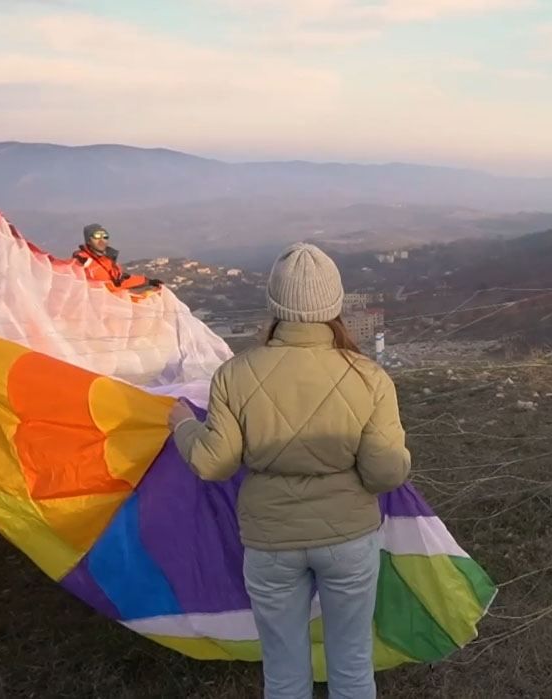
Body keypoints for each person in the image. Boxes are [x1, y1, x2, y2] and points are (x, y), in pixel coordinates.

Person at [166, 242, 410, 699]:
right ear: (334, 304)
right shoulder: (368, 377)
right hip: (348, 537)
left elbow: (212, 463)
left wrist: (183, 426)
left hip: (269, 540)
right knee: (352, 660)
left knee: (283, 668)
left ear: (275, 304)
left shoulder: (234, 375)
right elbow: (386, 474)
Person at [72, 223, 162, 291]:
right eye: (97, 236)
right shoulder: (82, 261)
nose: (101, 240)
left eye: (105, 236)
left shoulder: (109, 261)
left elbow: (121, 281)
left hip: (109, 308)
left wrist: (147, 281)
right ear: (88, 240)